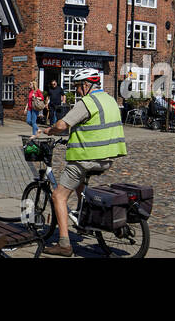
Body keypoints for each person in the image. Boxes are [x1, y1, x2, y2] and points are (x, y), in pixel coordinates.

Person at [35, 69, 127, 257]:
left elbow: (62, 125)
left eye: (77, 87)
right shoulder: (110, 100)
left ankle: (64, 244)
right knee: (80, 187)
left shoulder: (87, 102)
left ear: (86, 85)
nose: (77, 91)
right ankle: (84, 218)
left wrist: (48, 131)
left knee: (58, 196)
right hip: (107, 157)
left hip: (86, 158)